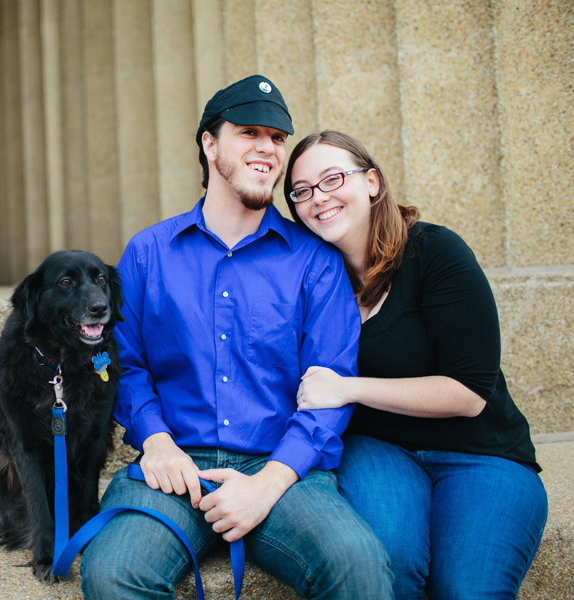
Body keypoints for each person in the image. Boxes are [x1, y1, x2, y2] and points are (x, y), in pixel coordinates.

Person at [79, 77, 393, 599]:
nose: (268, 149)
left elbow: (331, 385)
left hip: (283, 468)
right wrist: (155, 439)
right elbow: (122, 362)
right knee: (113, 573)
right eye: (249, 132)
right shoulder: (148, 253)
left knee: (359, 566)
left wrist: (270, 482)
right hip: (173, 467)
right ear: (210, 143)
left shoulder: (315, 261)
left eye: (276, 138)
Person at [283, 130, 548, 600]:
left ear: (372, 182)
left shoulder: (434, 252)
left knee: (468, 589)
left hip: (481, 454)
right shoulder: (313, 279)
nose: (317, 198)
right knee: (390, 567)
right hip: (380, 451)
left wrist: (349, 387)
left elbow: (468, 394)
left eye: (332, 179)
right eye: (301, 191)